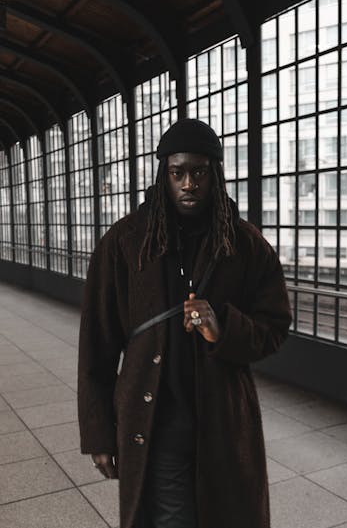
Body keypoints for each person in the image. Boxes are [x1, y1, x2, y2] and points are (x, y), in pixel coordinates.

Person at [78, 118, 292, 528]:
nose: (188, 183)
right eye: (178, 173)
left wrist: (224, 328)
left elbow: (275, 326)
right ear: (164, 175)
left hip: (225, 425)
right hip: (157, 424)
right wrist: (99, 434)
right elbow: (97, 346)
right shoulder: (125, 243)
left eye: (199, 172)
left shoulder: (246, 245)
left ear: (215, 175)